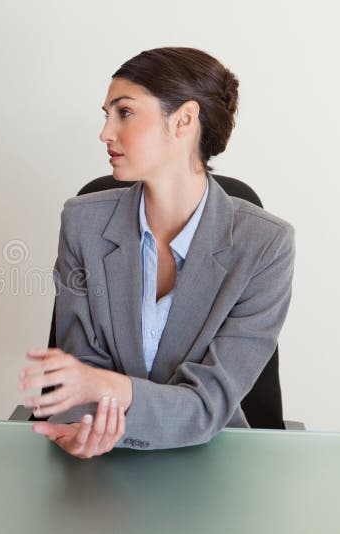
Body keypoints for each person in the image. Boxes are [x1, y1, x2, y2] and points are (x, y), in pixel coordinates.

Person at [18, 47, 294, 458]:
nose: (105, 132)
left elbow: (207, 404)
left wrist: (109, 390)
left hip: (212, 461)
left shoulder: (265, 244)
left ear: (183, 121)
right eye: (106, 115)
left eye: (124, 112)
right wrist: (82, 422)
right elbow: (80, 372)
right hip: (101, 459)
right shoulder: (83, 223)